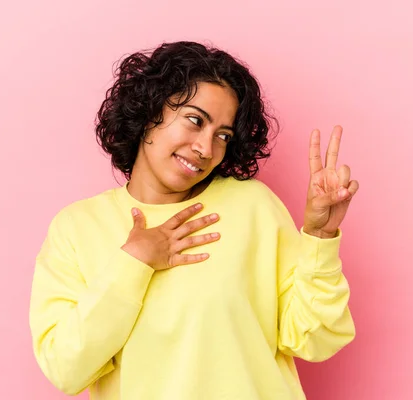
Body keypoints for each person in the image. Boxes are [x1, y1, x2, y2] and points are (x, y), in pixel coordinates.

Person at [29, 41, 359, 400]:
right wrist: (133, 262)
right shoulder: (78, 227)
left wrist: (319, 235)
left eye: (222, 135)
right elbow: (65, 367)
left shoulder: (252, 206)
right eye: (194, 120)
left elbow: (316, 338)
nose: (206, 148)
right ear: (149, 111)